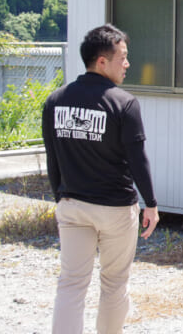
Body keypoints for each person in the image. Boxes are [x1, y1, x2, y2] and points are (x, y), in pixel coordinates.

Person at [42, 24, 159, 334]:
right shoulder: (123, 103)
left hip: (73, 205)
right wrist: (152, 204)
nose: (128, 64)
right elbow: (137, 158)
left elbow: (53, 158)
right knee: (114, 284)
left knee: (70, 284)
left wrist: (61, 197)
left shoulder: (55, 101)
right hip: (115, 209)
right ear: (101, 61)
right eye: (122, 57)